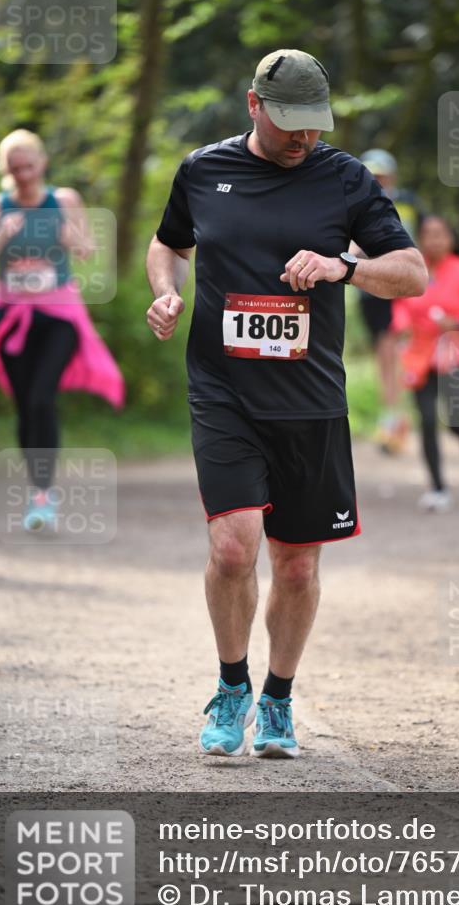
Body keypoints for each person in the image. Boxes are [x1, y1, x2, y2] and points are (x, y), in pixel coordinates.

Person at [146, 49, 427, 759]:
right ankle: (230, 685)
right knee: (232, 548)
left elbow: (412, 273)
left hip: (309, 401)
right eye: (288, 123)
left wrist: (344, 266)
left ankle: (277, 697)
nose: (303, 137)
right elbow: (167, 244)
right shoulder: (203, 170)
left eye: (313, 124)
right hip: (223, 392)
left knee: (296, 566)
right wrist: (166, 290)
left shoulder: (345, 178)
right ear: (253, 105)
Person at [0, 129, 124, 530]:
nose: (22, 175)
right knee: (24, 405)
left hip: (59, 316)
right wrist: (0, 237)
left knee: (41, 398)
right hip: (11, 317)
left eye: (28, 166)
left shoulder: (65, 200)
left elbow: (91, 256)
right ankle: (38, 491)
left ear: (42, 164)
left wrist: (74, 239)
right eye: (14, 168)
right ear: (6, 169)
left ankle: (43, 496)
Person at [392, 215, 459, 512]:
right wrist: (401, 325)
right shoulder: (413, 269)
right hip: (421, 356)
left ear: (450, 239)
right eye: (428, 234)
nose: (434, 240)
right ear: (420, 238)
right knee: (426, 420)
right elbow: (400, 305)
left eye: (440, 234)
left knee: (455, 418)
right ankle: (438, 488)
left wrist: (458, 322)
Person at [354, 148, 421, 455]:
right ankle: (391, 416)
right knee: (383, 354)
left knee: (394, 351)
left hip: (402, 289)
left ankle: (395, 418)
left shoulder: (408, 203)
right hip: (370, 290)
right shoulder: (354, 203)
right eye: (372, 175)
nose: (377, 180)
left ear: (391, 176)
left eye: (381, 175)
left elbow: (423, 241)